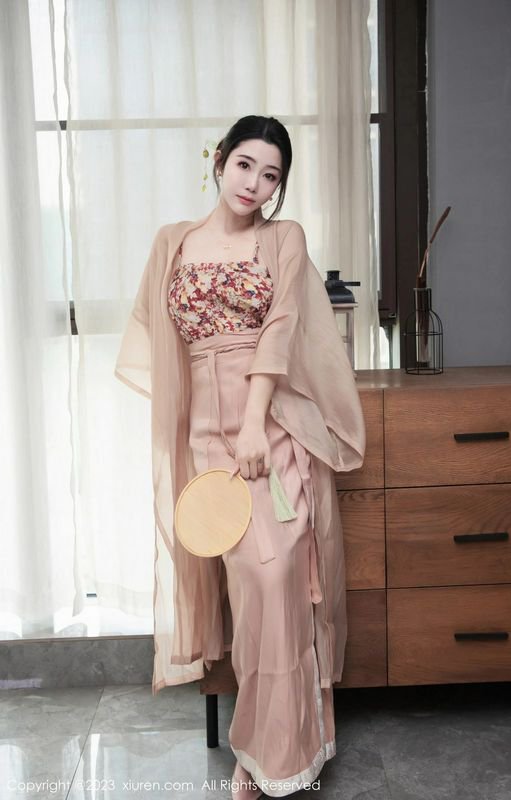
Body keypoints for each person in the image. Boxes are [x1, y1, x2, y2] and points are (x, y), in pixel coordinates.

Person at [115, 115, 366, 799]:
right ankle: (262, 742)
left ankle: (270, 750)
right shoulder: (173, 241)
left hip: (271, 422)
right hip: (205, 434)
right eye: (246, 165)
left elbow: (281, 328)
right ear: (220, 161)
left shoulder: (283, 239)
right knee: (250, 593)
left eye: (271, 175)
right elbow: (159, 343)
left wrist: (254, 422)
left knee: (279, 576)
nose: (255, 183)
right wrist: (187, 434)